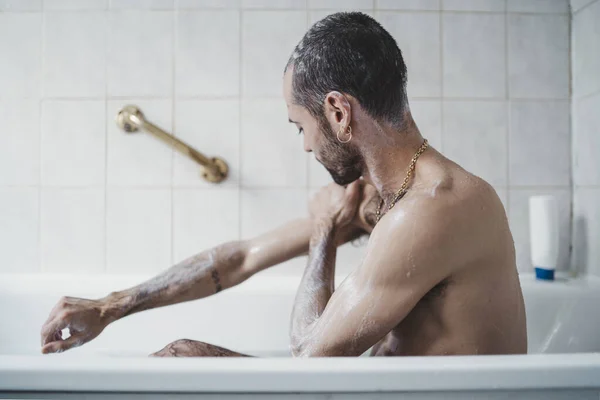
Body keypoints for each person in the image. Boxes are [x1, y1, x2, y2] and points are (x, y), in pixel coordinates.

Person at [41, 12, 526, 357]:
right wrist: (111, 306)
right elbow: (241, 258)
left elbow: (310, 353)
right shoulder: (390, 198)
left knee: (181, 359)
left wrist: (324, 231)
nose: (305, 146)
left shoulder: (431, 210)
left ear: (339, 112)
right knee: (181, 358)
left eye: (300, 126)